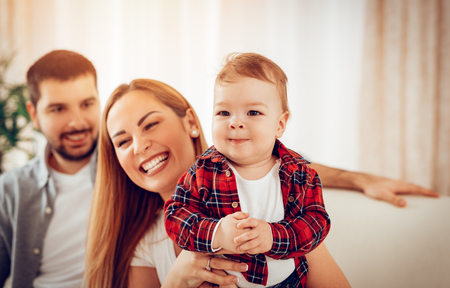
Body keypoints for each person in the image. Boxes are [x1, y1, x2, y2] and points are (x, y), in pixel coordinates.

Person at [84, 78, 349, 288]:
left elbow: (295, 168)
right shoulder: (145, 243)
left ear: (191, 122)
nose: (140, 146)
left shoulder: (275, 197)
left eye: (151, 124)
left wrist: (360, 179)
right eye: (122, 141)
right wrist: (176, 281)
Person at [164, 52, 330, 287]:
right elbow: (175, 216)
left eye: (253, 112)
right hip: (225, 282)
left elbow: (317, 221)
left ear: (280, 124)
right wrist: (216, 233)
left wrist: (274, 237)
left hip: (289, 281)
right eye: (223, 112)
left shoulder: (300, 174)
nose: (235, 122)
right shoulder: (202, 173)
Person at [0, 50, 100, 287]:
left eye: (87, 104)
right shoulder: (9, 190)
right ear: (34, 114)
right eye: (58, 109)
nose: (77, 122)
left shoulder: (130, 173)